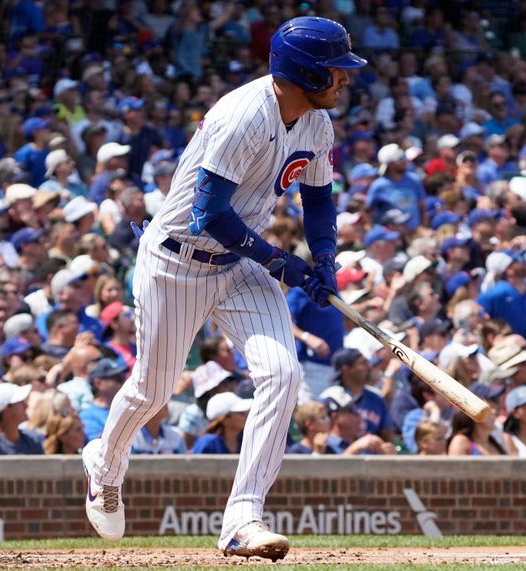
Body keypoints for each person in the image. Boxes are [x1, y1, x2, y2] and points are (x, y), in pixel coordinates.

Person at [81, 17, 365, 561]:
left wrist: (323, 260)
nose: (345, 80)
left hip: (239, 264)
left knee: (282, 374)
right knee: (153, 391)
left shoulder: (316, 122)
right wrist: (281, 262)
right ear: (304, 71)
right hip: (177, 261)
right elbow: (209, 214)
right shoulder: (244, 114)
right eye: (336, 70)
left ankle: (243, 520)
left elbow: (320, 200)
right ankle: (104, 465)